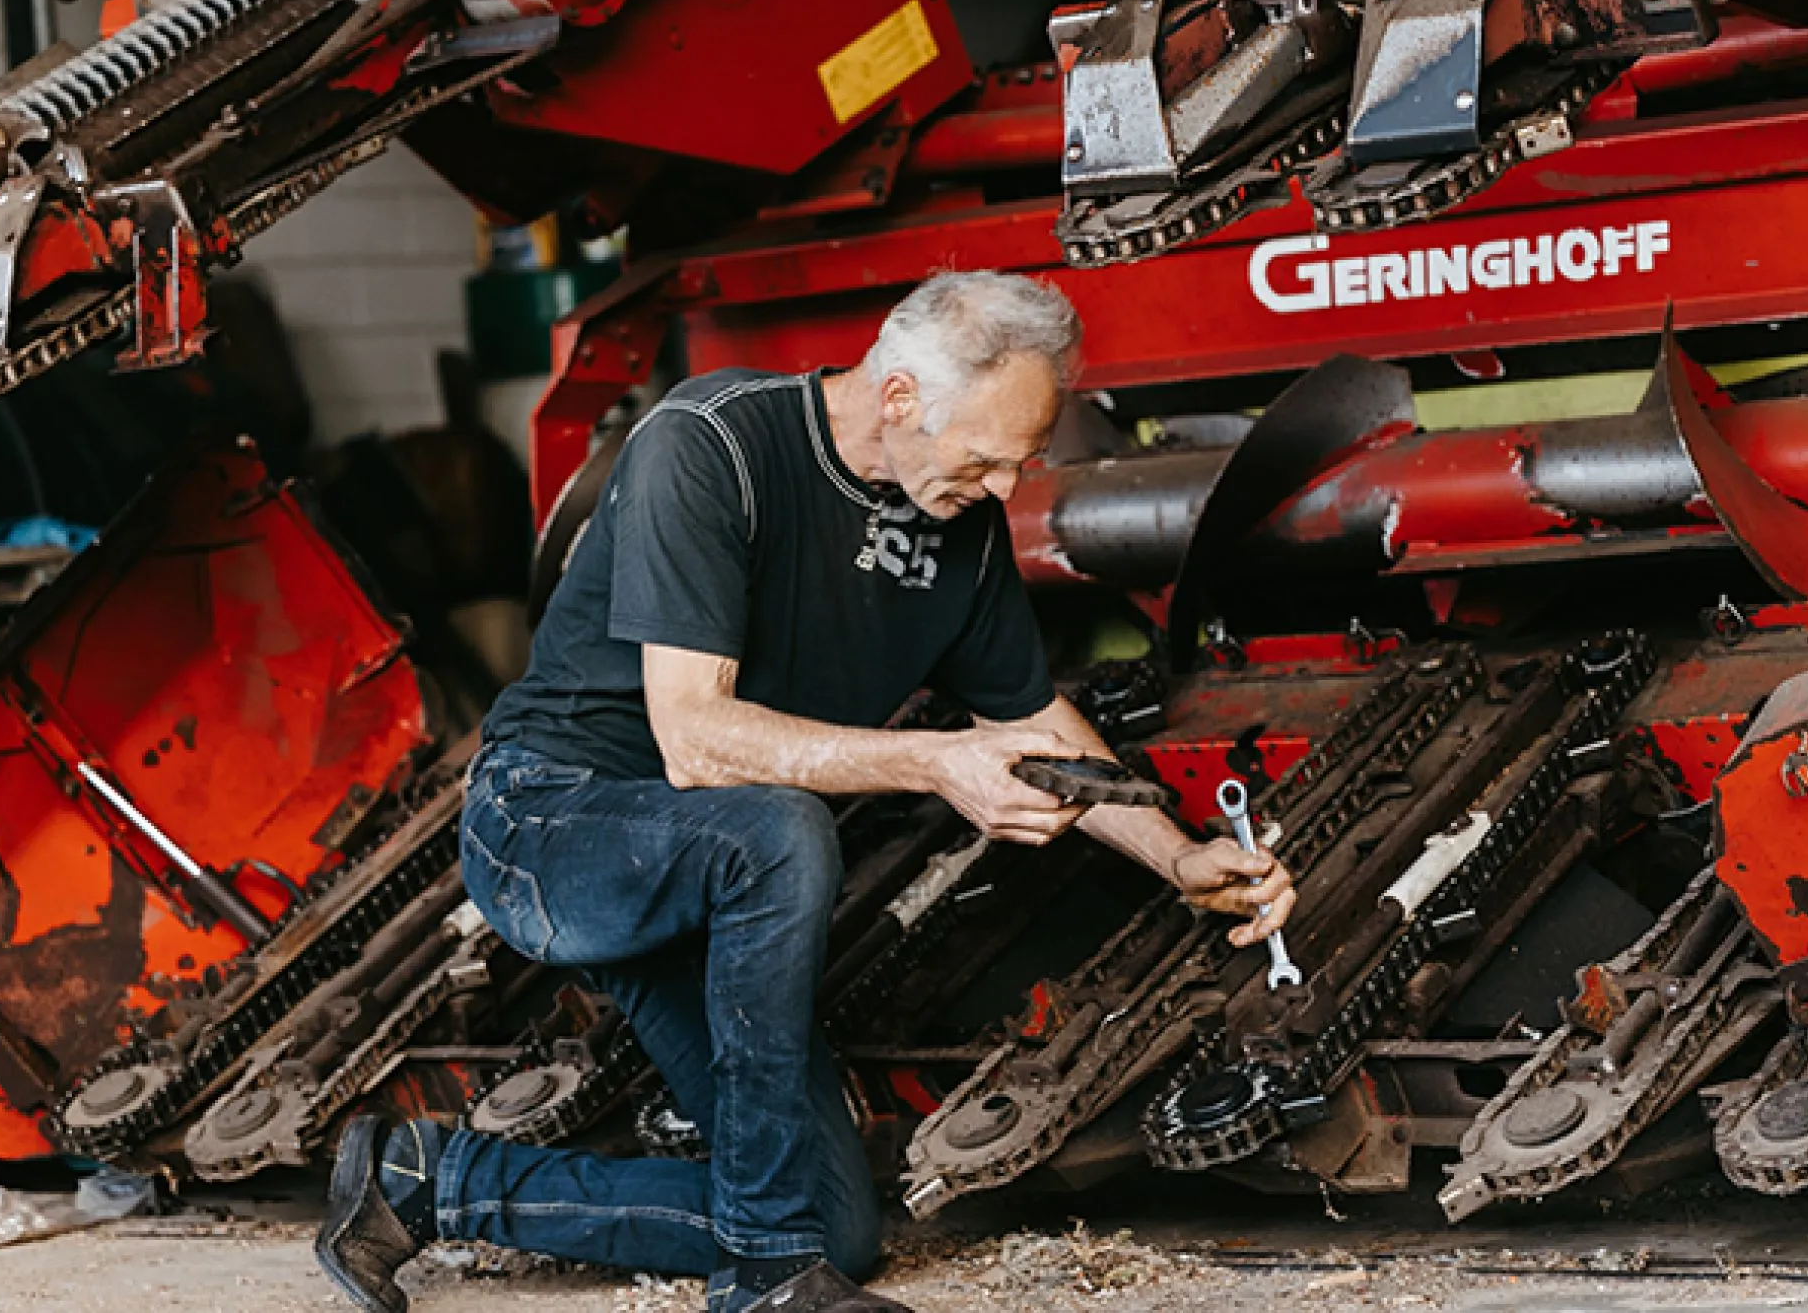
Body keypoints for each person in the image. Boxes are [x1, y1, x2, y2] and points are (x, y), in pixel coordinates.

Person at [314, 271, 1295, 1313]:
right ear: (900, 398)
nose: (1009, 487)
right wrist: (931, 761)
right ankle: (770, 1284)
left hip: (710, 868)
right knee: (777, 832)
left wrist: (1179, 857)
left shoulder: (952, 528)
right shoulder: (710, 445)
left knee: (832, 1223)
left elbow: (1030, 724)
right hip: (552, 821)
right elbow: (693, 739)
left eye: (1024, 461)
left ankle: (428, 1180)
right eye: (991, 454)